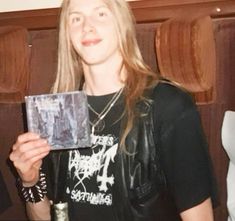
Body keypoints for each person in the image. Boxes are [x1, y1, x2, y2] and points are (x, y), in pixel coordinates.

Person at [9, 0, 217, 220]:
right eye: (76, 18)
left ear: (122, 24)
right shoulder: (58, 113)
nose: (87, 26)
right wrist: (30, 180)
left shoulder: (170, 106)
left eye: (101, 14)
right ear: (67, 35)